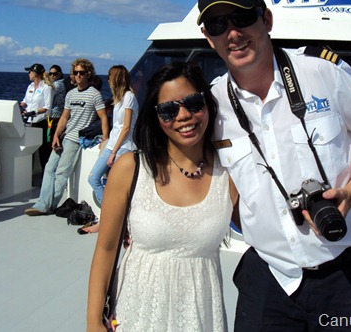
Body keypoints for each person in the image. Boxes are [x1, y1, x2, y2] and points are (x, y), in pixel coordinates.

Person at [197, 0, 351, 330]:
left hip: (348, 273)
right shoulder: (211, 104)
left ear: (267, 19)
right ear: (208, 37)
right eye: (217, 24)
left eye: (243, 18)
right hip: (269, 276)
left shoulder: (323, 73)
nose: (232, 33)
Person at [86, 62, 239, 331]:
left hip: (200, 315)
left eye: (193, 103)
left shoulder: (229, 173)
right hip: (137, 312)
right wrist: (93, 321)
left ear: (208, 105)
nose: (183, 116)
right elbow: (107, 249)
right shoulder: (130, 168)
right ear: (156, 118)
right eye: (168, 110)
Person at [25, 58, 109, 216]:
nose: (77, 75)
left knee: (61, 172)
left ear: (88, 74)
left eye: (81, 73)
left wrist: (105, 138)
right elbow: (64, 117)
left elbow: (103, 117)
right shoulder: (70, 94)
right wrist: (56, 135)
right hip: (65, 136)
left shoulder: (94, 95)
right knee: (49, 168)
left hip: (76, 139)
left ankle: (49, 206)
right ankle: (42, 203)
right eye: (75, 72)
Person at [87, 65, 139, 206]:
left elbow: (126, 127)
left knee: (116, 185)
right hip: (113, 144)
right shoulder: (119, 99)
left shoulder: (129, 97)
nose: (108, 80)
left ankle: (112, 215)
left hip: (124, 146)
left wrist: (114, 152)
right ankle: (109, 211)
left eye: (110, 76)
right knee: (93, 178)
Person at [20, 63, 54, 170]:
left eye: (30, 72)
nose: (28, 74)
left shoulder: (47, 87)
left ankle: (45, 178)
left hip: (41, 122)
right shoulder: (30, 87)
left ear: (35, 73)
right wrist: (21, 105)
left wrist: (34, 112)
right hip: (29, 122)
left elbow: (48, 107)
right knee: (30, 150)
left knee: (43, 151)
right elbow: (26, 101)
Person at [47, 65, 66, 146]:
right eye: (50, 74)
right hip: (55, 116)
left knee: (49, 140)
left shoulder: (57, 85)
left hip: (55, 117)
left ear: (59, 74)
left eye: (54, 74)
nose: (52, 76)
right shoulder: (59, 84)